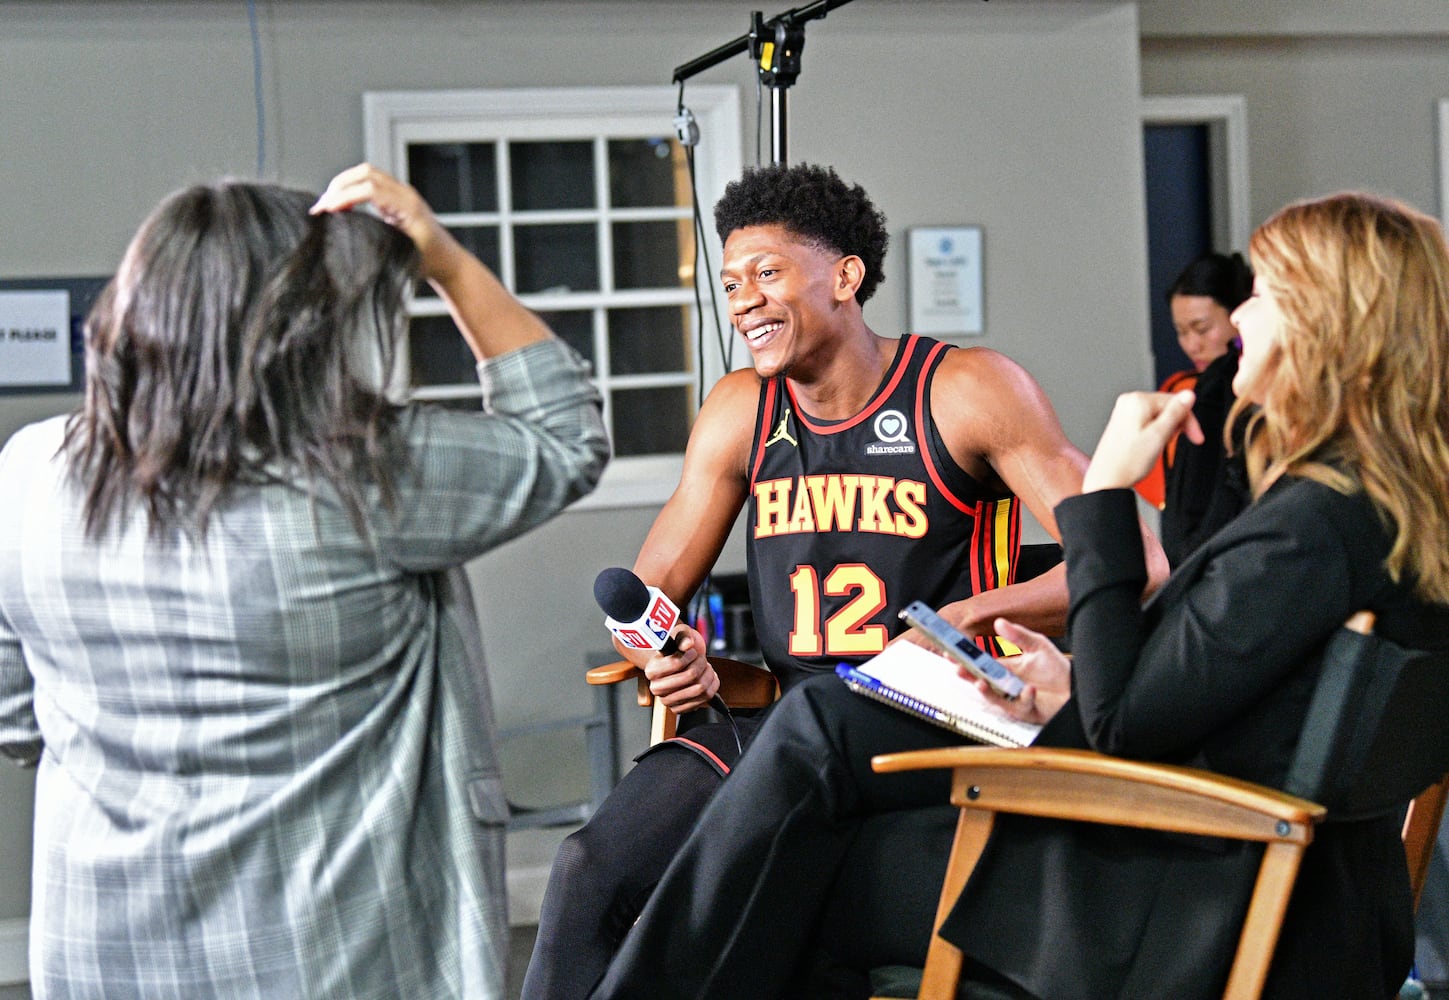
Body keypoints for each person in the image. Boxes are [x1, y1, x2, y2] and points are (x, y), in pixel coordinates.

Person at [588, 190, 1449, 1000]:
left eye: (1265, 295)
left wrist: (1107, 492)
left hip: (1189, 891)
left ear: (1332, 327)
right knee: (812, 772)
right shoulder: (1377, 515)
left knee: (798, 850)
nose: (1240, 317)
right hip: (1271, 869)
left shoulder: (1307, 528)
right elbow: (1220, 689)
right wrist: (1060, 686)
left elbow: (1126, 725)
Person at [521, 162, 1167, 999]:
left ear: (845, 277)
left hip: (930, 724)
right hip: (781, 719)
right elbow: (650, 590)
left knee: (754, 904)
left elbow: (1134, 563)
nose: (743, 299)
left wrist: (965, 613)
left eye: (766, 272)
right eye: (729, 282)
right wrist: (662, 650)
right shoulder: (739, 410)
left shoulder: (964, 390)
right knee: (588, 869)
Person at [0, 165, 609, 999]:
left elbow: (14, 708)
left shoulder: (30, 470)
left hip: (100, 948)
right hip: (327, 952)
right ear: (307, 327)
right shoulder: (361, 471)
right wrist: (448, 264)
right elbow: (565, 437)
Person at [1138, 252, 1255, 564]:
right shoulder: (1182, 389)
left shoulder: (1239, 391)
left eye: (1202, 328)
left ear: (1239, 314)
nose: (1192, 345)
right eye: (1181, 331)